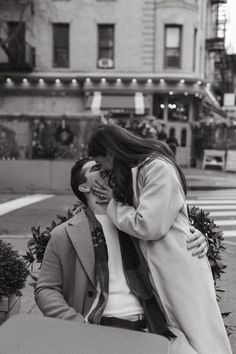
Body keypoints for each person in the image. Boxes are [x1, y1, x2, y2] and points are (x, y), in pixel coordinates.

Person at [35, 158, 207, 353]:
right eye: (96, 168)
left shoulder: (137, 221)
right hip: (97, 328)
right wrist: (76, 323)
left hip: (153, 324)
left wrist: (198, 238)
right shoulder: (64, 234)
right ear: (84, 187)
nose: (105, 169)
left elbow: (170, 240)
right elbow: (46, 289)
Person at [88, 124, 232, 354]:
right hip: (162, 269)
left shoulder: (156, 168)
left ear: (111, 154)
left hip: (178, 267)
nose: (102, 170)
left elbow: (148, 226)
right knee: (182, 336)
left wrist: (115, 205)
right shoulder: (137, 171)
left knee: (201, 335)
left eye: (100, 162)